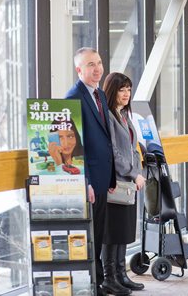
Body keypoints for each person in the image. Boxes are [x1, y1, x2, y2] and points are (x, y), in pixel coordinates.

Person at [66, 47, 115, 296]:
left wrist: (112, 176)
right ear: (79, 70)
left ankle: (98, 284)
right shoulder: (73, 98)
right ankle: (91, 286)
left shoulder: (100, 95)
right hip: (88, 182)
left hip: (102, 177)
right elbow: (75, 147)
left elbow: (106, 139)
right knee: (89, 235)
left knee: (99, 232)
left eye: (99, 62)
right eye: (90, 65)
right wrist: (84, 182)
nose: (97, 69)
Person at [102, 72, 146, 294]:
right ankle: (110, 277)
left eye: (129, 89)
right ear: (112, 91)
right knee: (113, 233)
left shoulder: (125, 116)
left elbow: (133, 150)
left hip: (129, 184)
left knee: (124, 232)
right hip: (116, 184)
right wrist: (132, 172)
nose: (126, 93)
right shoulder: (108, 117)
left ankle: (121, 273)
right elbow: (114, 151)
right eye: (122, 89)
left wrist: (137, 172)